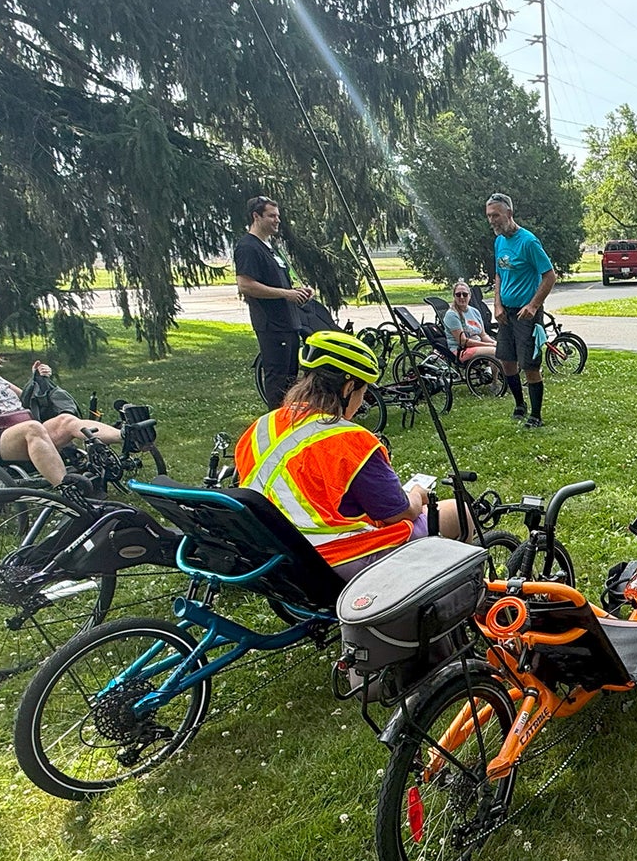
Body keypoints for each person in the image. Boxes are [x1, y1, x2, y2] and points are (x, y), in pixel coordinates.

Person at [235, 331, 471, 579]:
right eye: (363, 393)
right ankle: (462, 595)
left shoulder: (260, 429)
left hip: (274, 559)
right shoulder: (348, 439)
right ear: (348, 387)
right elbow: (400, 513)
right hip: (337, 561)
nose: (361, 403)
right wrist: (417, 495)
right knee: (460, 512)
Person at [0, 323, 122, 485]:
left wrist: (37, 379)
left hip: (21, 430)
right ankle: (67, 488)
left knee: (66, 420)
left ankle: (126, 435)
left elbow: (25, 398)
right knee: (32, 428)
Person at [485, 192, 557, 428]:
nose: (492, 220)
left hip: (527, 313)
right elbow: (498, 274)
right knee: (506, 360)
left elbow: (549, 276)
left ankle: (536, 415)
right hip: (505, 311)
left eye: (496, 215)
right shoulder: (499, 242)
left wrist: (533, 305)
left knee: (530, 365)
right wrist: (496, 304)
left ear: (509, 213)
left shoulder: (528, 242)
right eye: (489, 216)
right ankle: (519, 404)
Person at [234, 196, 313, 408]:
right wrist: (286, 294)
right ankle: (276, 425)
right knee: (278, 381)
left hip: (289, 323)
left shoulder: (270, 247)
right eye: (271, 216)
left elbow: (277, 283)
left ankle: (288, 421)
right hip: (272, 326)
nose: (277, 220)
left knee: (290, 379)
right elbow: (246, 285)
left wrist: (297, 291)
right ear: (256, 216)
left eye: (278, 216)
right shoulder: (248, 247)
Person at [442, 281, 496, 363]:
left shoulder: (475, 311)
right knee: (496, 352)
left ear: (469, 296)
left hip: (477, 345)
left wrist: (494, 342)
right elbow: (463, 342)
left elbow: (483, 335)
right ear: (454, 296)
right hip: (461, 350)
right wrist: (489, 345)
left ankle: (495, 375)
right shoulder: (452, 315)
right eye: (458, 294)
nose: (462, 297)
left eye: (465, 294)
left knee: (502, 350)